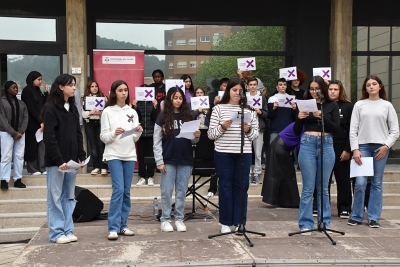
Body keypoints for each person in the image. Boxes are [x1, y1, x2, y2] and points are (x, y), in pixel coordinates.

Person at [208, 77, 259, 234]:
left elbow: (255, 135)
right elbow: (211, 135)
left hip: (244, 154)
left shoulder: (250, 111)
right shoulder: (218, 109)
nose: (237, 93)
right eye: (234, 90)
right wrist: (223, 126)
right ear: (228, 91)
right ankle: (225, 222)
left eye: (240, 91)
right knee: (225, 187)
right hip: (223, 153)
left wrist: (248, 130)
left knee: (242, 187)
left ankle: (239, 222)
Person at [348, 75, 399, 228]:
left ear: (380, 86)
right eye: (368, 84)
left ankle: (373, 217)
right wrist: (355, 149)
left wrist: (386, 146)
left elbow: (395, 130)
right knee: (360, 183)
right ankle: (356, 215)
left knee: (376, 183)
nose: (371, 86)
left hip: (380, 148)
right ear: (365, 88)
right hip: (362, 148)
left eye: (374, 84)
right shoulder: (359, 105)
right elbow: (353, 129)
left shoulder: (387, 106)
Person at [42, 74, 87, 244]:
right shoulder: (51, 108)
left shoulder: (73, 108)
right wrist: (58, 159)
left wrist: (81, 156)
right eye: (71, 85)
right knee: (55, 197)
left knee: (69, 196)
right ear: (61, 87)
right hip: (56, 162)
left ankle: (68, 229)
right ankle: (56, 232)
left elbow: (77, 133)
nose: (74, 88)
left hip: (72, 161)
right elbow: (50, 137)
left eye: (74, 85)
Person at [293, 76, 340, 234]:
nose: (314, 92)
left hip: (326, 143)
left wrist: (323, 116)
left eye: (317, 89)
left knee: (323, 187)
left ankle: (324, 222)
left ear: (323, 90)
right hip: (307, 143)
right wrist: (299, 118)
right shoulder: (304, 103)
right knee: (308, 188)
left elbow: (336, 129)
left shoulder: (332, 105)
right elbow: (295, 131)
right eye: (311, 89)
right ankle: (305, 223)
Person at [100, 80, 142, 240]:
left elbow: (135, 138)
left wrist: (138, 131)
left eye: (125, 90)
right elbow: (103, 137)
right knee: (118, 190)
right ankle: (113, 227)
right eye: (120, 90)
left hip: (129, 154)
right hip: (114, 154)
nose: (124, 93)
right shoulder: (107, 111)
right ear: (114, 92)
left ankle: (123, 225)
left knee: (126, 192)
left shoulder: (132, 111)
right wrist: (114, 133)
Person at [154, 87, 200, 232]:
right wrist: (159, 161)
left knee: (181, 191)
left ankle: (179, 218)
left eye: (180, 98)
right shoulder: (162, 117)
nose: (178, 100)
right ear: (170, 99)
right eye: (175, 98)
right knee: (166, 191)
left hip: (185, 159)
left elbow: (193, 142)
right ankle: (165, 219)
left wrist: (196, 135)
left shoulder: (189, 116)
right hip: (168, 159)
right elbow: (156, 141)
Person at [327, 80, 353, 219]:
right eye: (330, 89)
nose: (332, 91)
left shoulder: (348, 107)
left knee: (343, 179)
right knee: (324, 179)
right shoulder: (324, 105)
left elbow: (352, 129)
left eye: (335, 89)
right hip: (326, 144)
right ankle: (322, 206)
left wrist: (348, 149)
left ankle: (344, 207)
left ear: (340, 91)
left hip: (341, 146)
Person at [261, 122, 302, 207]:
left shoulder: (298, 123)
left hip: (278, 145)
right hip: (281, 147)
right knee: (289, 173)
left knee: (282, 173)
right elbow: (300, 145)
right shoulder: (303, 126)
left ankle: (281, 200)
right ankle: (291, 201)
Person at [0, 81, 28, 189]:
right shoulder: (2, 102)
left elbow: (26, 118)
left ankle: (18, 179)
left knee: (19, 156)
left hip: (20, 134)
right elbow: (2, 119)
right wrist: (13, 132)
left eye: (16, 88)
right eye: (13, 87)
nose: (16, 89)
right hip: (6, 133)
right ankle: (4, 180)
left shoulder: (21, 103)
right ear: (7, 89)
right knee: (6, 156)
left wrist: (20, 132)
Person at [21, 71, 48, 175]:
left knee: (42, 145)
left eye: (41, 79)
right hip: (32, 122)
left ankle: (42, 167)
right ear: (32, 80)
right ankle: (33, 169)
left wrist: (45, 92)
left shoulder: (38, 91)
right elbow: (31, 108)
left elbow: (45, 104)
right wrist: (40, 121)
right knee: (32, 145)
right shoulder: (27, 91)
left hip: (40, 122)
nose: (40, 82)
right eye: (38, 79)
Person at [207, 78, 229, 197]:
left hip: (230, 139)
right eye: (224, 85)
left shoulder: (233, 100)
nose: (225, 88)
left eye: (227, 85)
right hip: (218, 135)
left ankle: (224, 189)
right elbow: (211, 118)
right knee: (216, 164)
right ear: (220, 87)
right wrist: (214, 104)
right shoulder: (214, 96)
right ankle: (212, 188)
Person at [132, 84, 158, 186]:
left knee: (151, 155)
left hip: (151, 134)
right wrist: (135, 107)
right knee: (141, 156)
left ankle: (151, 176)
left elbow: (155, 119)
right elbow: (136, 119)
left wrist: (155, 107)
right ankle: (142, 176)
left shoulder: (153, 103)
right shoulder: (138, 103)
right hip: (141, 134)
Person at [82, 80, 108, 175]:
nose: (94, 88)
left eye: (96, 86)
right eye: (92, 86)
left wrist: (100, 113)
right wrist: (89, 113)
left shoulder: (103, 97)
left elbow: (108, 111)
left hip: (101, 123)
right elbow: (81, 113)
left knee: (101, 146)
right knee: (93, 146)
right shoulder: (84, 99)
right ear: (89, 88)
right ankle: (96, 167)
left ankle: (103, 167)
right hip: (89, 123)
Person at [246, 77, 268, 184]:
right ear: (247, 86)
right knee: (247, 152)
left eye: (254, 84)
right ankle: (248, 173)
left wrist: (260, 112)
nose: (253, 87)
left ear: (257, 85)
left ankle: (257, 173)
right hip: (246, 127)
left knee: (258, 153)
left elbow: (267, 114)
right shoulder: (244, 97)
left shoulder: (262, 97)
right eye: (251, 84)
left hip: (258, 127)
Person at [268, 78, 297, 142]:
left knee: (287, 150)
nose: (283, 86)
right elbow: (269, 116)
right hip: (275, 129)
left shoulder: (291, 99)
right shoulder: (272, 99)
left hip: (288, 129)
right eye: (280, 84)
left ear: (286, 86)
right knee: (273, 150)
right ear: (277, 86)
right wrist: (273, 109)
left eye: (284, 84)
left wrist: (294, 109)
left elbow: (295, 117)